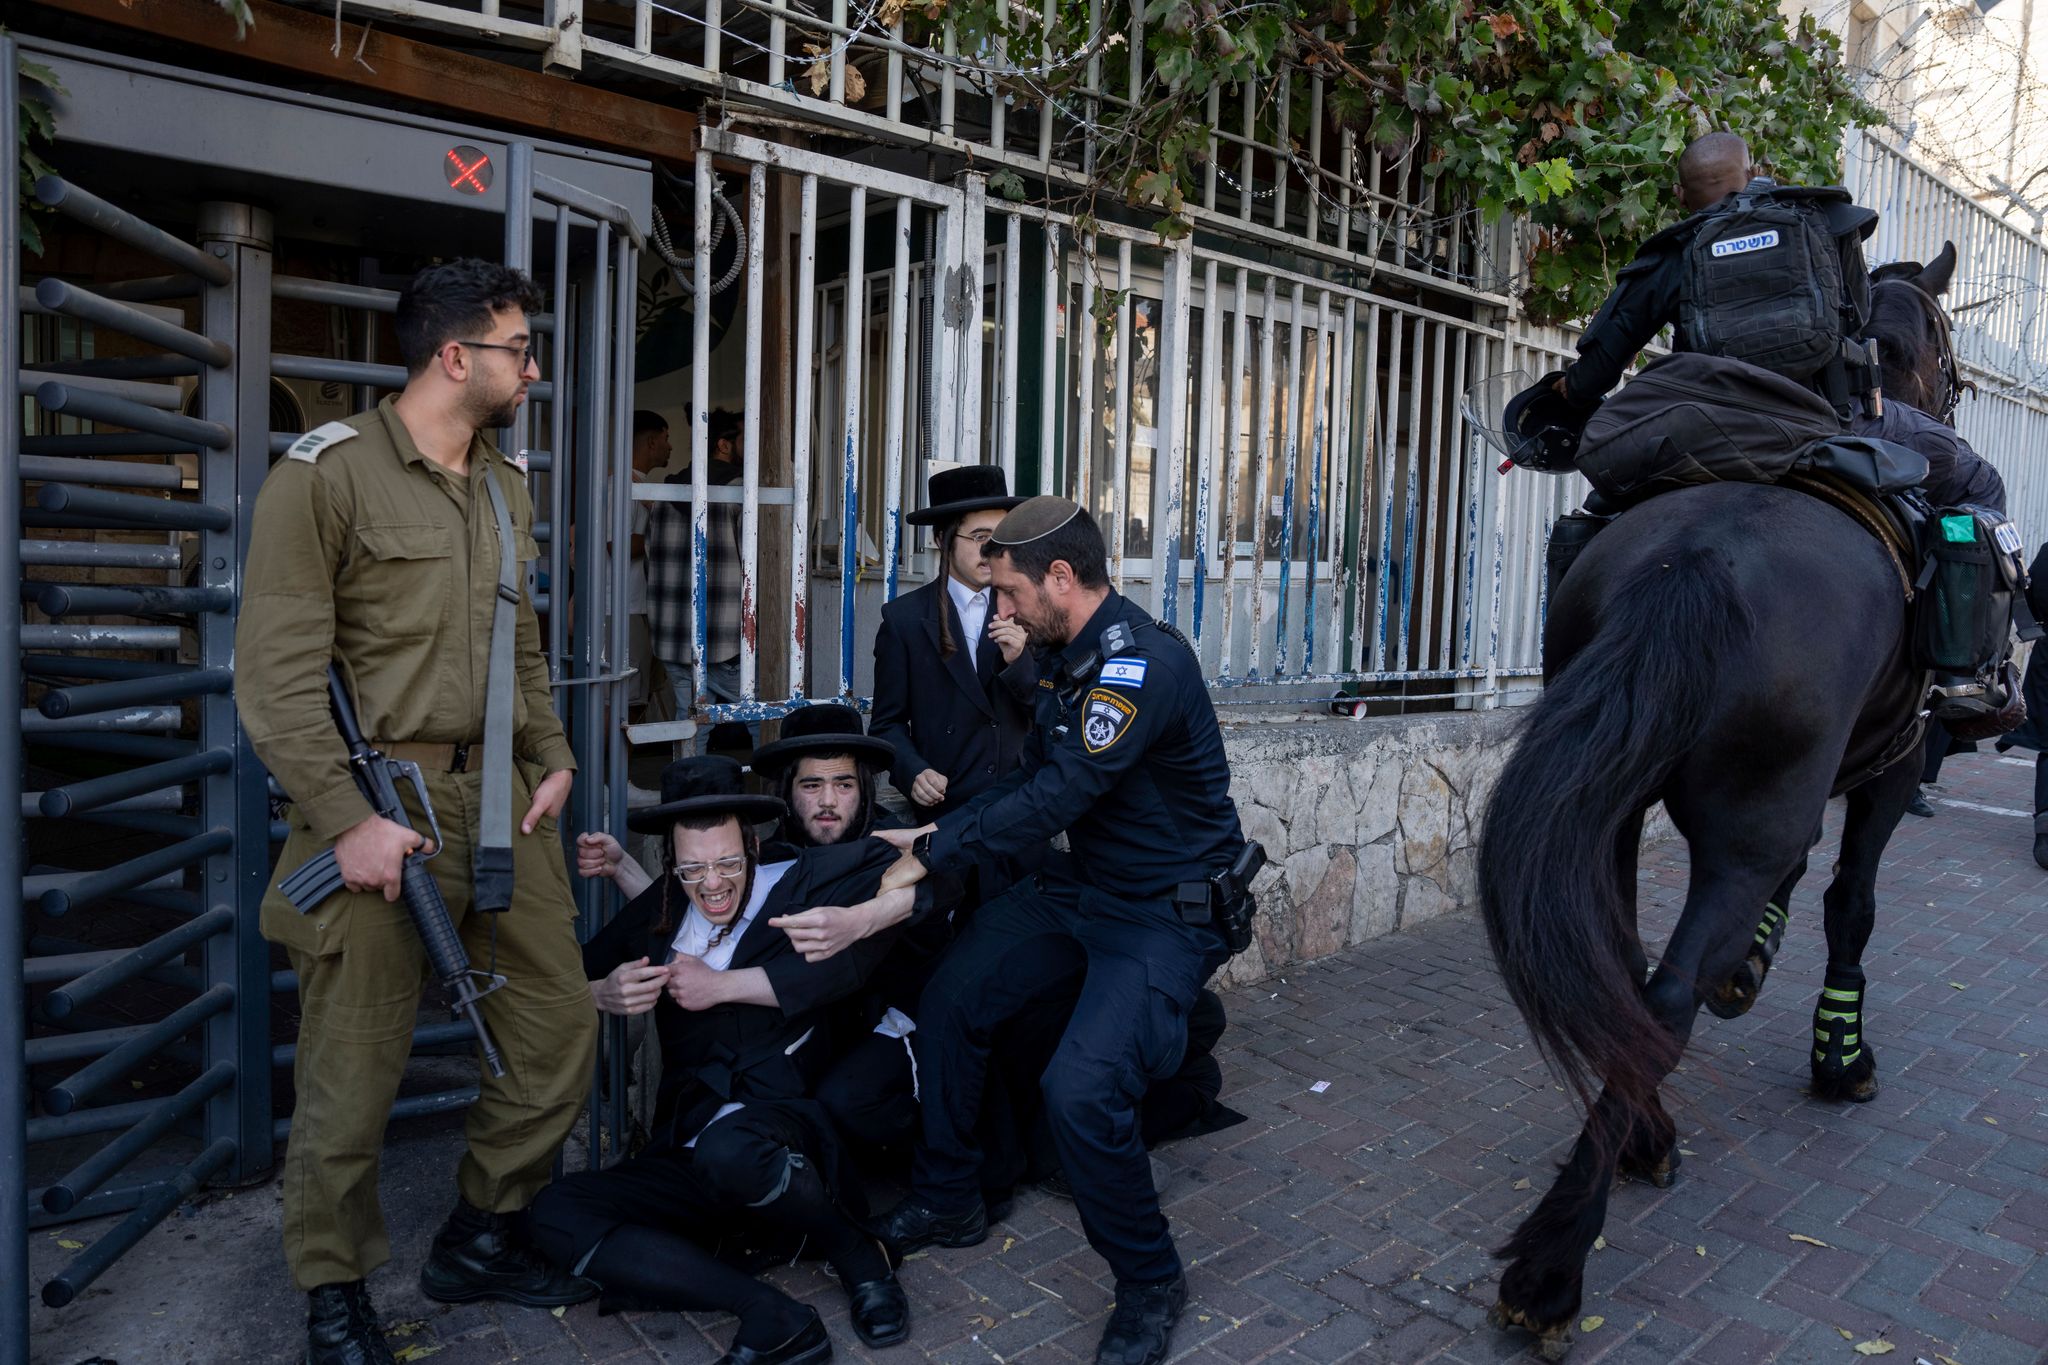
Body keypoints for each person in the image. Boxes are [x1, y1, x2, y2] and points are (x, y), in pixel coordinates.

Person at [237, 259, 598, 1364]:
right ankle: (334, 1291)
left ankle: (480, 1233)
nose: (532, 371)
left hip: (501, 805)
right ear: (454, 356)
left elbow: (520, 645)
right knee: (351, 1071)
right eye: (518, 350)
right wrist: (346, 819)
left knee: (557, 1026)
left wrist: (550, 753)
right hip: (374, 804)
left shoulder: (504, 485)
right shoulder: (325, 476)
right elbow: (276, 678)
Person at [869, 496, 1250, 1365]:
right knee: (953, 994)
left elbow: (1059, 795)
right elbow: (1028, 780)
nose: (997, 606)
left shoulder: (1140, 667)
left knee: (1080, 1090)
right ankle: (951, 1194)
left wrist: (936, 852)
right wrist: (935, 834)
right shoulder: (1064, 661)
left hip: (1165, 912)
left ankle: (1150, 1279)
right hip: (1089, 888)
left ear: (1063, 578)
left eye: (1009, 591)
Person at [544, 758, 931, 1362]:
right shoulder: (662, 906)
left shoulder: (803, 879)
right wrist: (599, 993)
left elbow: (942, 862)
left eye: (728, 862)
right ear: (671, 865)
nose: (713, 884)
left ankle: (862, 1257)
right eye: (693, 868)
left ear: (753, 846)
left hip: (783, 1128)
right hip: (690, 1142)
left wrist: (863, 916)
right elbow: (560, 981)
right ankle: (770, 1314)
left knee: (734, 1150)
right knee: (554, 1212)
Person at [870, 466, 1035, 829]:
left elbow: (1054, 709)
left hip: (1019, 805)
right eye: (980, 537)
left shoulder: (1031, 608)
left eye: (1001, 537)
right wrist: (914, 772)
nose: (992, 550)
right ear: (942, 539)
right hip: (947, 810)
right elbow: (886, 725)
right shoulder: (905, 620)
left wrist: (1020, 663)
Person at [648, 407, 748, 741]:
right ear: (723, 445)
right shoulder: (739, 493)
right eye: (745, 439)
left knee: (690, 722)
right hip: (725, 639)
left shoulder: (665, 493)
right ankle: (774, 778)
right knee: (763, 716)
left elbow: (650, 557)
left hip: (673, 636)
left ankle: (688, 776)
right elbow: (756, 566)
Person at [627, 411, 672, 715]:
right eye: (666, 439)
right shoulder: (622, 485)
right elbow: (617, 545)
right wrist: (665, 536)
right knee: (626, 701)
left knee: (639, 698)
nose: (670, 447)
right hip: (625, 607)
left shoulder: (640, 485)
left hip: (642, 605)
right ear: (652, 442)